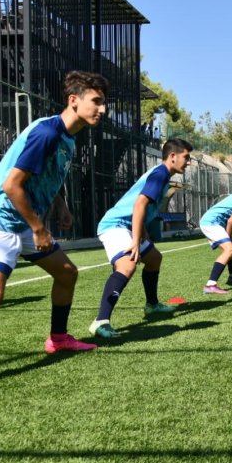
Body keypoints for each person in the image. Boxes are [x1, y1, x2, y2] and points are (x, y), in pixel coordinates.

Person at [0, 71, 108, 398]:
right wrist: (39, 228)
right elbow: (11, 185)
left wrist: (61, 205)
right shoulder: (46, 133)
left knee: (67, 273)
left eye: (103, 103)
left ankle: (58, 340)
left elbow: (47, 174)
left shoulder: (68, 137)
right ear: (74, 100)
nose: (102, 109)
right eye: (96, 101)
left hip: (24, 220)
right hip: (1, 219)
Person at [89, 138, 193, 339]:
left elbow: (143, 207)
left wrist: (142, 229)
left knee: (154, 258)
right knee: (128, 266)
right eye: (186, 157)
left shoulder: (164, 174)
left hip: (128, 226)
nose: (188, 162)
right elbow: (139, 204)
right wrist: (135, 240)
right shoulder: (161, 173)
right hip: (115, 225)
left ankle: (152, 306)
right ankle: (100, 322)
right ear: (172, 156)